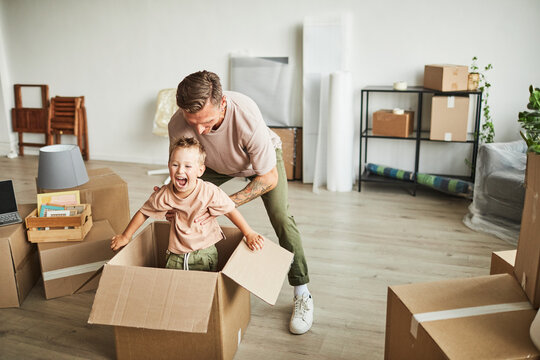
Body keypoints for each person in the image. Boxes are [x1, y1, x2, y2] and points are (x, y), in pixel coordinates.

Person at [166, 70, 313, 334]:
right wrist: (174, 200)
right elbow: (183, 169)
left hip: (260, 167)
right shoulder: (178, 124)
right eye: (192, 121)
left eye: (206, 121)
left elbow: (268, 178)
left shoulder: (245, 114)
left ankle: (302, 291)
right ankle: (192, 280)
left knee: (281, 217)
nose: (199, 130)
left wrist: (220, 204)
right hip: (211, 165)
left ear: (222, 104)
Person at [111, 137, 264, 271]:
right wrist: (126, 236)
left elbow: (230, 210)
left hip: (204, 253)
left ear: (200, 170)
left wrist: (248, 233)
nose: (180, 171)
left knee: (204, 289)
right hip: (175, 255)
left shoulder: (209, 191)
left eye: (188, 166)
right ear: (169, 165)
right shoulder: (164, 194)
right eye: (175, 165)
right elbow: (144, 212)